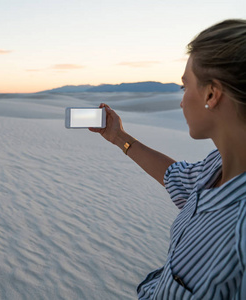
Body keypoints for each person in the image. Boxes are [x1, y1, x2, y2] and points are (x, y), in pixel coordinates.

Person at [89, 19, 246, 299]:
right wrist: (118, 137)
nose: (182, 100)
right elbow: (176, 177)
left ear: (212, 94)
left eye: (185, 86)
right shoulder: (217, 165)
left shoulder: (240, 229)